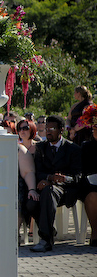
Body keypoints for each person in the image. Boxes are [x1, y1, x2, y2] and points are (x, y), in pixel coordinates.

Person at [30, 115, 82, 252]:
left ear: (61, 130)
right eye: (46, 128)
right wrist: (48, 178)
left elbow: (78, 176)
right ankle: (49, 230)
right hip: (45, 186)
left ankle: (45, 240)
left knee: (49, 191)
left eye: (52, 128)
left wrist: (64, 179)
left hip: (65, 190)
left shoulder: (73, 149)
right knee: (30, 201)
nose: (48, 131)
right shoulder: (40, 147)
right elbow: (37, 171)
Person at [78, 104, 97, 246]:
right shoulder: (87, 147)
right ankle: (95, 232)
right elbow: (83, 170)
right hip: (92, 185)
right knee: (92, 196)